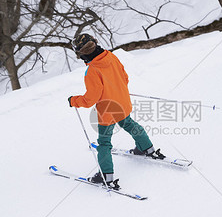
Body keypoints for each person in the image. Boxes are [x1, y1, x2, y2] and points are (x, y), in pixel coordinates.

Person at [68, 33, 164, 186]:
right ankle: (147, 148)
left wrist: (74, 101)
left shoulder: (92, 70)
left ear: (81, 53)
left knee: (104, 142)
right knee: (129, 124)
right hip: (122, 102)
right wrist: (116, 89)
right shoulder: (111, 57)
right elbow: (125, 78)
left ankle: (106, 176)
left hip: (108, 111)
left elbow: (90, 99)